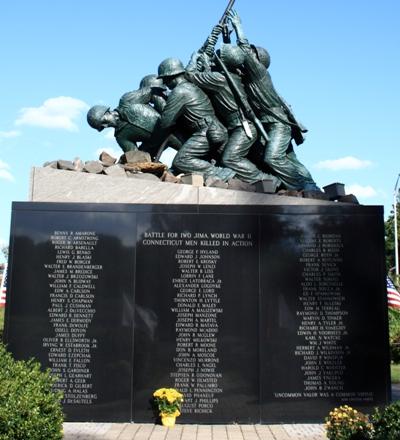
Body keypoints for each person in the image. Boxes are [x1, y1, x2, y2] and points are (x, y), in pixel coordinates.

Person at [227, 10, 320, 193]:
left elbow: (243, 53)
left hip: (278, 124)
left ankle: (304, 186)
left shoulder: (259, 74)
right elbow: (233, 59)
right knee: (290, 159)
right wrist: (226, 37)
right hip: (270, 123)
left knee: (273, 157)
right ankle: (312, 184)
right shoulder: (248, 77)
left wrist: (239, 29)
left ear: (257, 61)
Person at [184, 27, 281, 189]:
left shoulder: (219, 79)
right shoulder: (236, 76)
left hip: (243, 128)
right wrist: (215, 39)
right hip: (239, 127)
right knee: (224, 156)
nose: (214, 58)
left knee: (230, 158)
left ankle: (267, 180)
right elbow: (221, 59)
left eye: (218, 56)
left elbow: (190, 75)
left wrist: (194, 59)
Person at [148, 57, 235, 182]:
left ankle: (220, 173)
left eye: (165, 80)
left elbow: (165, 122)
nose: (165, 84)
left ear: (171, 77)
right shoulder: (191, 86)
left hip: (206, 132)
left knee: (181, 161)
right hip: (215, 129)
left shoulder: (179, 91)